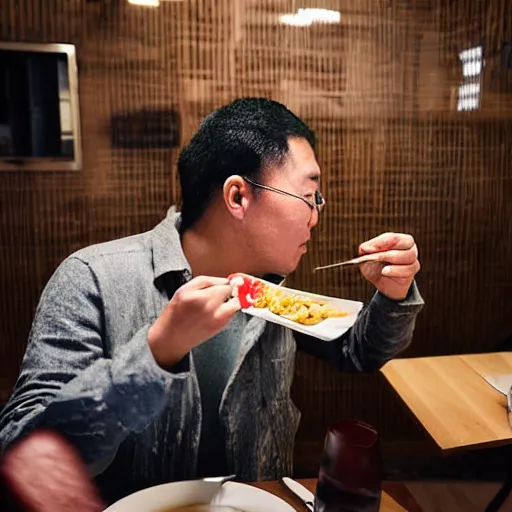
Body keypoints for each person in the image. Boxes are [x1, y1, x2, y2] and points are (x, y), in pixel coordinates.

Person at [0, 98, 423, 504]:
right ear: (238, 196)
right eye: (308, 196)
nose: (315, 215)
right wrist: (157, 352)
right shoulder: (92, 278)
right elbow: (24, 448)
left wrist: (393, 293)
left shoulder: (270, 293)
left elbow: (360, 351)